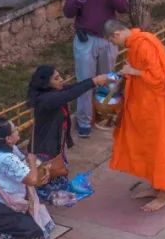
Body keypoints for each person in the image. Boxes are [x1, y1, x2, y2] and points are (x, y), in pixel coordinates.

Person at [105, 19, 165, 212]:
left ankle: (163, 195)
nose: (114, 45)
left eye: (112, 41)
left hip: (159, 107)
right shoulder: (135, 44)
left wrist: (132, 70)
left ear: (116, 34)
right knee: (150, 148)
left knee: (160, 149)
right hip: (146, 106)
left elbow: (158, 78)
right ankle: (155, 186)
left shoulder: (144, 44)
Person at [62, 0, 129, 137]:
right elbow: (68, 13)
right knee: (85, 81)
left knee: (107, 79)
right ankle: (84, 122)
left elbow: (123, 7)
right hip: (86, 41)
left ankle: (105, 114)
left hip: (108, 40)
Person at [26, 66, 112, 200]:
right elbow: (70, 94)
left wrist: (94, 80)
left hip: (56, 144)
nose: (61, 80)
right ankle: (44, 200)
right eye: (56, 78)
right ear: (46, 83)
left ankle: (53, 194)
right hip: (45, 148)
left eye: (60, 76)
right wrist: (94, 81)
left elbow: (72, 89)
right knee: (47, 176)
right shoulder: (47, 99)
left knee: (56, 173)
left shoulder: (54, 92)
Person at [0, 119, 55, 239]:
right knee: (35, 231)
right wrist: (33, 161)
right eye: (15, 129)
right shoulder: (6, 159)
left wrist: (42, 167)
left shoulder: (0, 149)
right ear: (8, 138)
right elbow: (32, 179)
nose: (18, 129)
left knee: (40, 219)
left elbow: (22, 163)